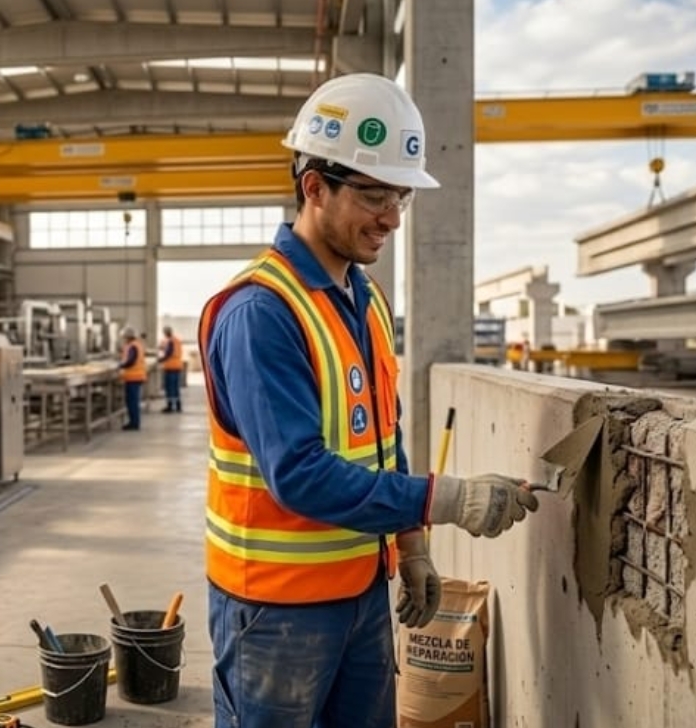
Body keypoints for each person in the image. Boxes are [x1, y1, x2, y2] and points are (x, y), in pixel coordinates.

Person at [197, 73, 539, 728]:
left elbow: (385, 436)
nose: (391, 218)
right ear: (314, 187)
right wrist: (449, 501)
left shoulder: (365, 300)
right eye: (374, 194)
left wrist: (410, 546)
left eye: (401, 197)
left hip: (360, 590)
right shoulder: (261, 312)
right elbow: (299, 475)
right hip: (275, 611)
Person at [118, 325, 146, 430]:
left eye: (125, 337)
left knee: (132, 402)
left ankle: (134, 423)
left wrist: (120, 365)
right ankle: (134, 421)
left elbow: (131, 361)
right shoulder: (136, 344)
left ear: (128, 336)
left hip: (133, 377)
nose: (124, 339)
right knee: (133, 401)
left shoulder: (133, 346)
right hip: (135, 376)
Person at [157, 325, 184, 413]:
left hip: (171, 367)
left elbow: (168, 353)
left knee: (170, 388)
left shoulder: (170, 341)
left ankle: (170, 406)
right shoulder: (175, 340)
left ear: (166, 332)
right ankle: (178, 406)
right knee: (175, 388)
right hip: (177, 366)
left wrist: (159, 360)